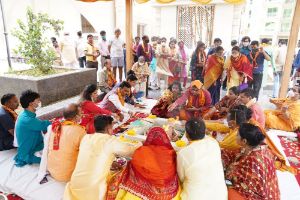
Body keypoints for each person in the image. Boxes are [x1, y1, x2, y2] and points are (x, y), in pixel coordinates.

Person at [64, 115, 140, 200]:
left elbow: (93, 156)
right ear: (108, 128)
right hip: (94, 189)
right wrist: (140, 144)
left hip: (75, 183)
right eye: (112, 127)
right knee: (125, 175)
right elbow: (130, 151)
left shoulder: (86, 138)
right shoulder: (109, 140)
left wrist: (111, 162)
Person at [112, 127, 181, 200]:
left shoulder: (142, 150)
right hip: (166, 192)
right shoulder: (171, 153)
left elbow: (132, 165)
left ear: (149, 137)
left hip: (140, 191)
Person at [222, 123, 280, 200]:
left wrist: (229, 175)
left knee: (224, 190)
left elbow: (247, 188)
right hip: (265, 189)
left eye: (237, 135)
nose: (235, 137)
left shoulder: (253, 161)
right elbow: (236, 154)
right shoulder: (256, 147)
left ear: (244, 141)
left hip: (257, 195)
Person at [177, 119, 227, 200]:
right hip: (220, 196)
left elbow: (181, 178)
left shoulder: (183, 153)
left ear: (186, 135)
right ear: (205, 131)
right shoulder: (214, 143)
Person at [47, 104, 86, 182]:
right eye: (81, 113)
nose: (83, 115)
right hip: (68, 175)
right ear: (76, 117)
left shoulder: (56, 127)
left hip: (52, 170)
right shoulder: (79, 131)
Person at [14, 90, 51, 167]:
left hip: (35, 145)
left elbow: (40, 123)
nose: (39, 102)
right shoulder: (27, 119)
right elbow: (44, 125)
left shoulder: (25, 114)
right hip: (28, 152)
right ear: (31, 103)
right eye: (38, 101)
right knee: (53, 159)